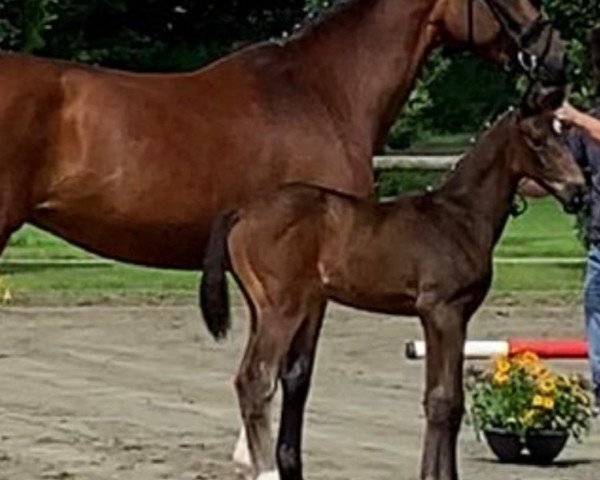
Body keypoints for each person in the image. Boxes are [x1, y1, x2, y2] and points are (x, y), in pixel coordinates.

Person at [553, 28, 600, 405]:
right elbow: (565, 175)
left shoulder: (589, 123)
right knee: (596, 315)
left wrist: (576, 117)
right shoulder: (588, 125)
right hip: (599, 242)